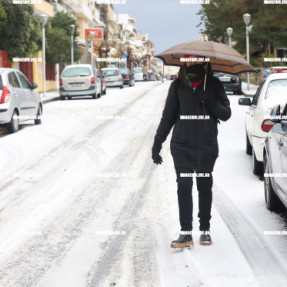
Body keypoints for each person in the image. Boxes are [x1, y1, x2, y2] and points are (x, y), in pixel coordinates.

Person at [151, 61, 231, 248]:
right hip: (182, 146)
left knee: (204, 186)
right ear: (184, 62)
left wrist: (210, 100)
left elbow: (226, 114)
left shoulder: (214, 84)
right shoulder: (177, 85)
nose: (192, 62)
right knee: (184, 185)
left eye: (197, 59)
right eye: (189, 59)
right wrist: (157, 144)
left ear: (204, 63)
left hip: (206, 146)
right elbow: (168, 116)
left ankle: (205, 231)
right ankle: (186, 234)